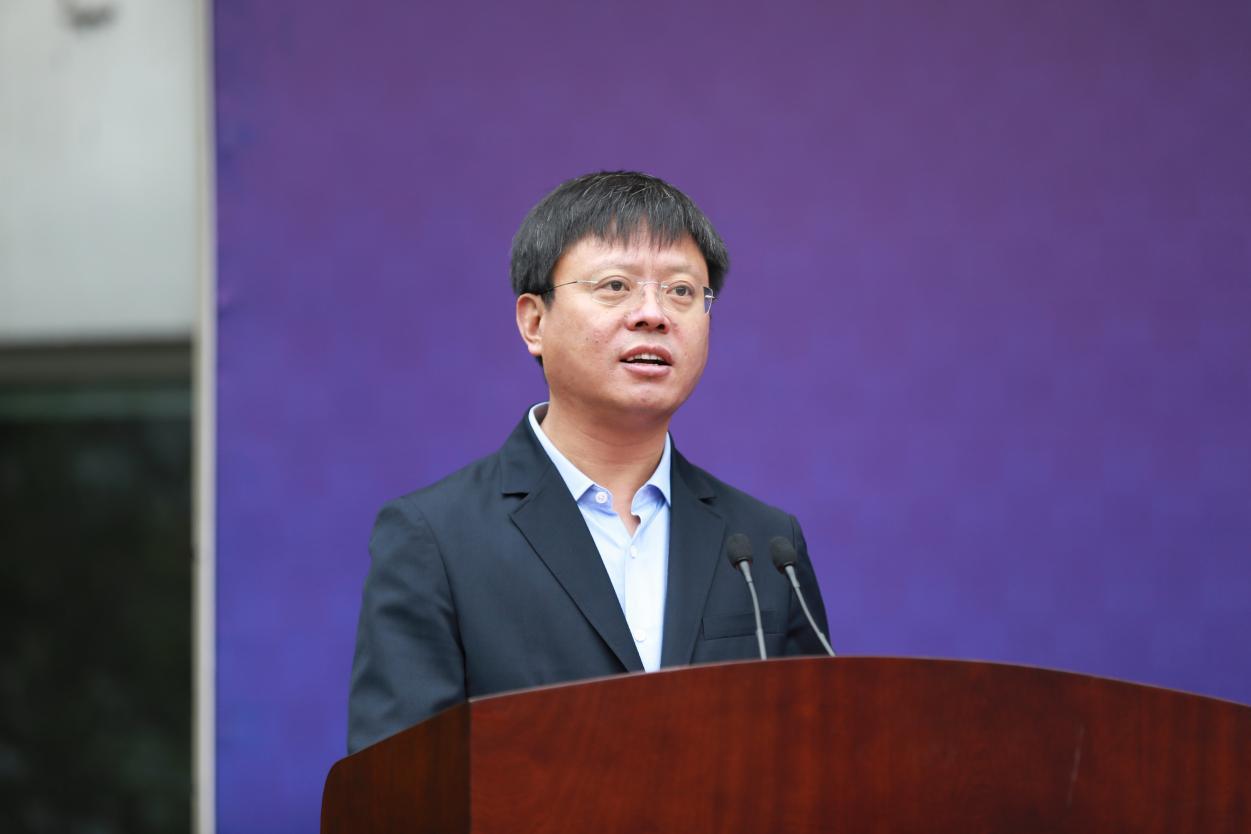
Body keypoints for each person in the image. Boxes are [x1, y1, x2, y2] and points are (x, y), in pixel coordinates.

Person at [347, 171, 829, 753]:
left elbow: (814, 762)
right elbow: (399, 785)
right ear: (534, 322)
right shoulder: (436, 540)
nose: (653, 314)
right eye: (615, 285)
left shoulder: (765, 547)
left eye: (682, 291)